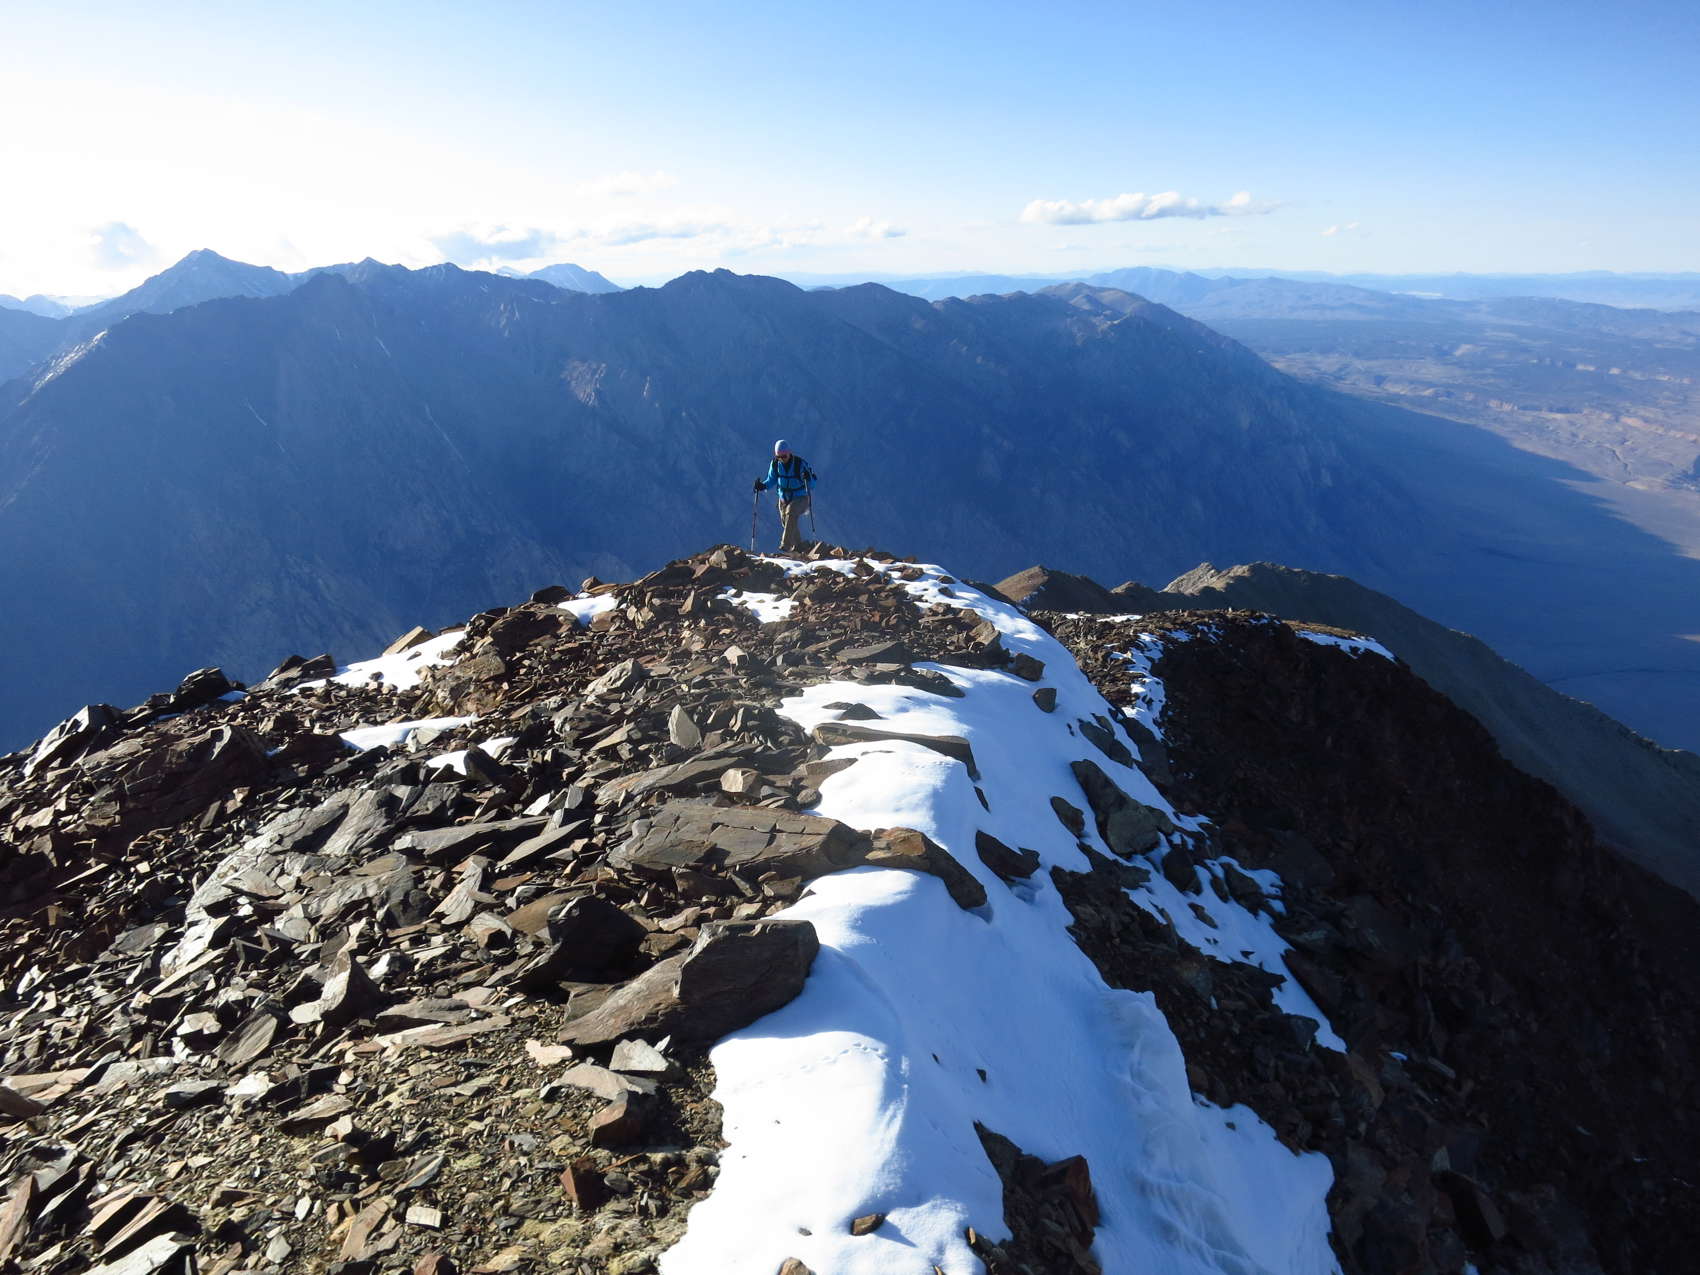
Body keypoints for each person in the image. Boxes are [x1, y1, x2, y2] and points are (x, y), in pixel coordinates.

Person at [754, 439, 817, 553]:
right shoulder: (775, 464)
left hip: (801, 498)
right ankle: (799, 548)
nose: (782, 459)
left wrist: (807, 478)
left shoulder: (799, 464)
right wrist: (762, 486)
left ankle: (785, 544)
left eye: (784, 456)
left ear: (789, 453)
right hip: (783, 499)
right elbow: (771, 480)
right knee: (787, 522)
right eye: (779, 457)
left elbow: (812, 484)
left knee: (791, 512)